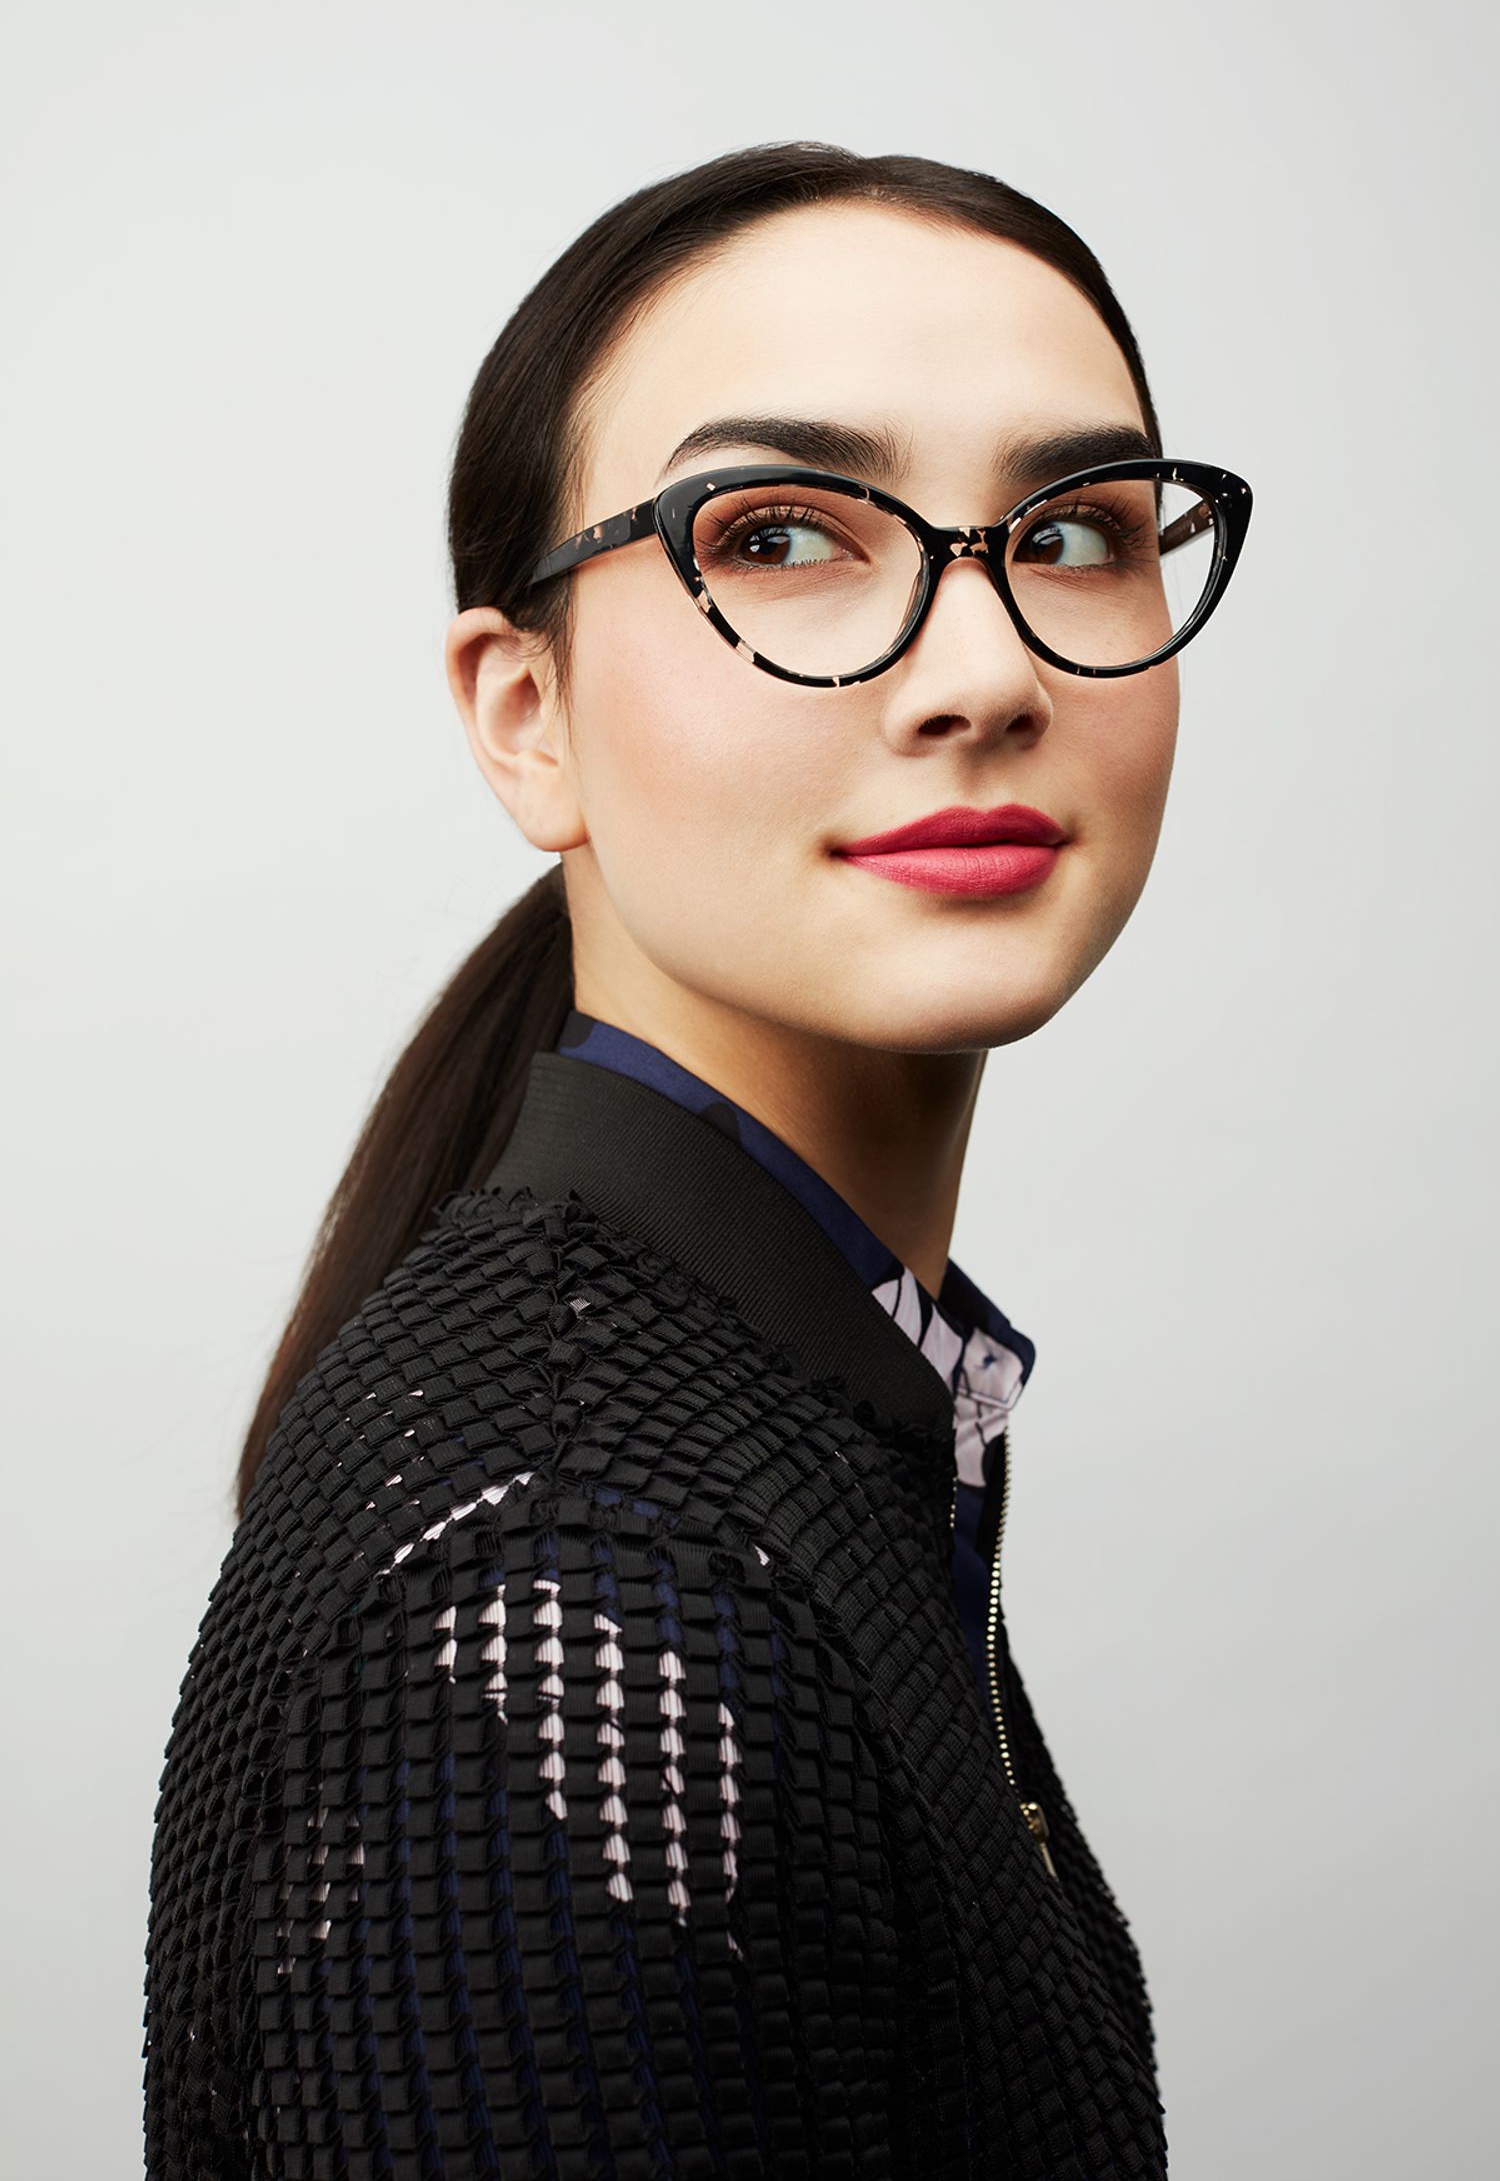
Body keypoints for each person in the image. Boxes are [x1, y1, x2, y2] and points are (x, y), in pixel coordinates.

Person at [142, 140, 1253, 2178]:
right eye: (780, 535)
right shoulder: (585, 1574)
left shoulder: (767, 1417)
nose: (987, 673)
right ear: (527, 714)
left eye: (1078, 530)